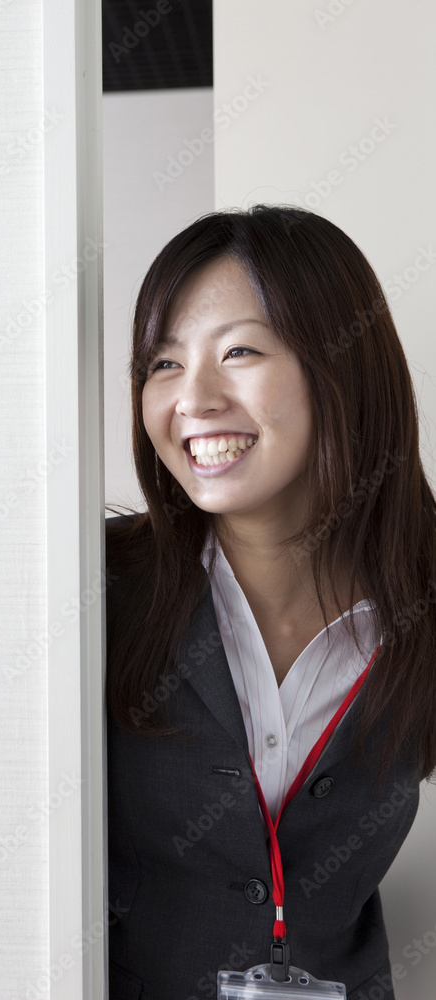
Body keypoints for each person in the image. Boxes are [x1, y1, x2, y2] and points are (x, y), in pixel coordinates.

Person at [104, 205, 436, 1000]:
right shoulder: (98, 588)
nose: (193, 398)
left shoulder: (420, 593)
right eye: (162, 363)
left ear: (343, 366)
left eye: (239, 351)